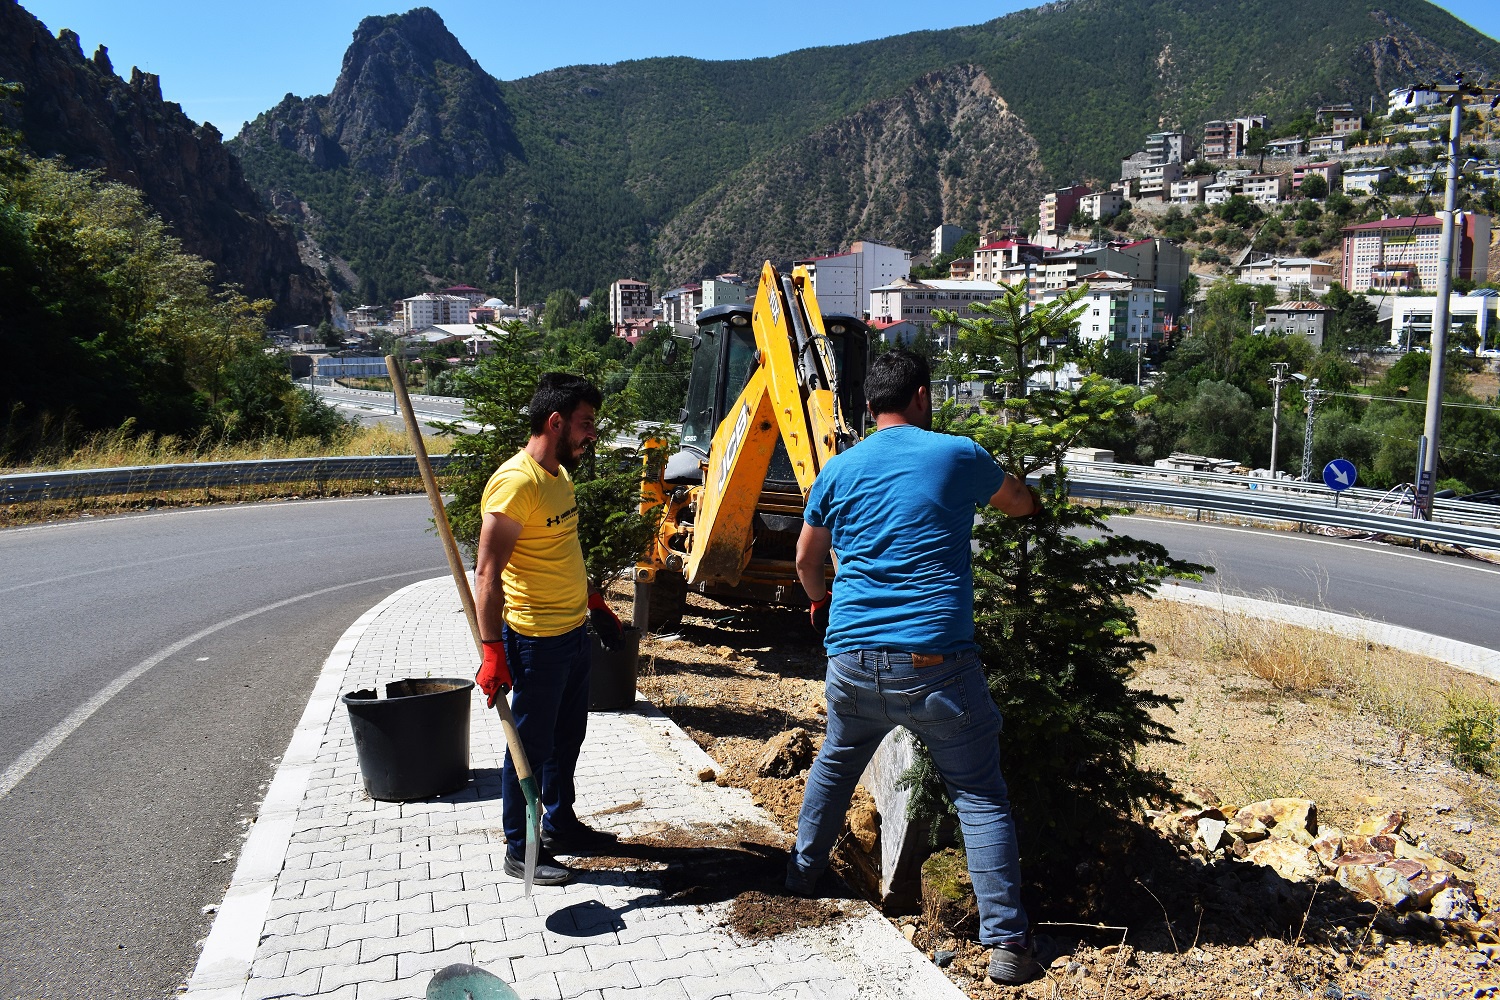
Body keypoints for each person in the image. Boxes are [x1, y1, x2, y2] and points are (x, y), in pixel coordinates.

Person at [787, 348, 1043, 985]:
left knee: (836, 762)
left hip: (851, 662)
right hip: (937, 666)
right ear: (923, 396)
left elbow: (805, 561)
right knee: (980, 797)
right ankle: (1006, 945)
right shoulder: (957, 455)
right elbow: (1017, 503)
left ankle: (799, 874)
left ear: (869, 407)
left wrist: (821, 601)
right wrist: (1037, 504)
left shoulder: (838, 470)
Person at [473, 373, 624, 886]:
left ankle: (560, 824)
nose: (592, 435)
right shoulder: (518, 482)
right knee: (531, 748)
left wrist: (594, 602)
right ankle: (522, 847)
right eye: (585, 424)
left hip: (570, 631)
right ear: (555, 422)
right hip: (535, 640)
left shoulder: (558, 474)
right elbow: (487, 573)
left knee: (567, 738)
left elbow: (560, 552)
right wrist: (492, 651)